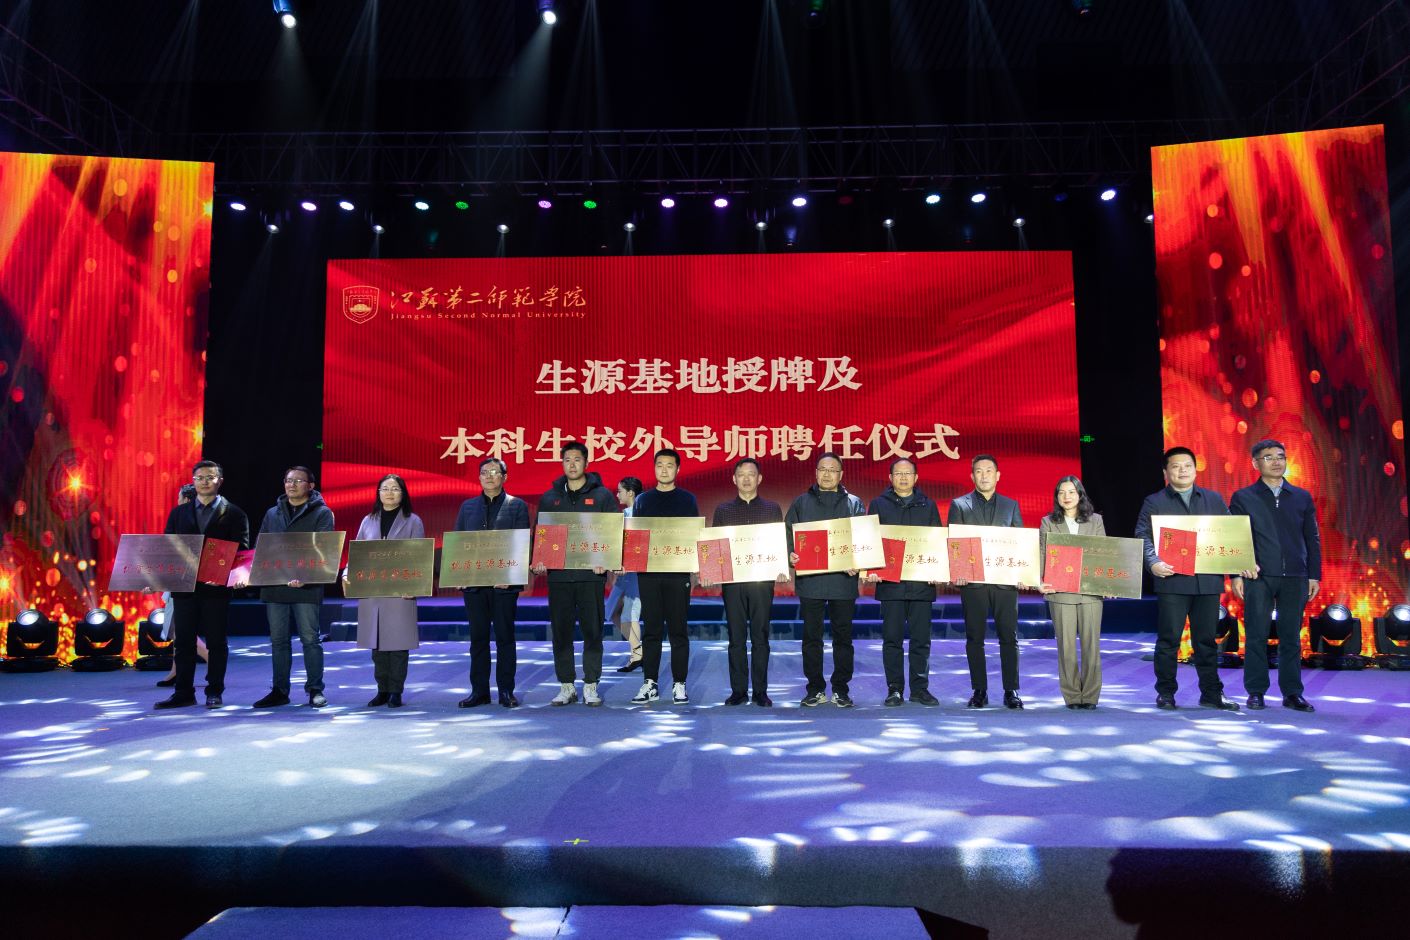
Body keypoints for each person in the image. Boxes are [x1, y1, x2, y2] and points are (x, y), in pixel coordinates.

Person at [1134, 446, 1247, 711]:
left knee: (1206, 641)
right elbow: (1143, 535)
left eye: (1187, 466)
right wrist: (1153, 562)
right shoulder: (1155, 501)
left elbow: (1230, 536)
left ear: (1195, 470)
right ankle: (1166, 693)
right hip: (1172, 581)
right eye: (1175, 466)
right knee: (1169, 640)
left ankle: (1211, 694)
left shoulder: (1213, 499)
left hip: (1207, 581)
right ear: (1166, 472)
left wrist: (1235, 573)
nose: (1182, 470)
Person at [1230, 439, 1319, 712]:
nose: (1276, 461)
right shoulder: (1243, 497)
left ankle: (1292, 693)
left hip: (1295, 576)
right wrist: (1236, 573)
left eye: (1280, 456)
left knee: (1291, 637)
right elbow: (1235, 537)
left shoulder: (1301, 497)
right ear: (1255, 463)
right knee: (1256, 635)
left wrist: (1314, 575)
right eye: (1268, 457)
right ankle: (1256, 691)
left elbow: (1312, 538)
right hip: (1258, 576)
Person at [154, 460, 250, 709]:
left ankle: (214, 691)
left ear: (220, 481)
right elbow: (168, 548)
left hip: (216, 589)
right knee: (183, 642)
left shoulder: (235, 513)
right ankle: (183, 692)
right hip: (184, 587)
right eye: (199, 477)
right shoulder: (179, 513)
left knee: (216, 642)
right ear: (193, 481)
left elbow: (241, 551)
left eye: (210, 477)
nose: (204, 482)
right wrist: (154, 579)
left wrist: (234, 576)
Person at [532, 442, 619, 706]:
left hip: (591, 576)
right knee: (561, 633)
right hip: (559, 576)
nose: (572, 464)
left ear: (586, 463)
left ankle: (591, 684)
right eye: (567, 460)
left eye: (577, 459)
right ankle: (566, 685)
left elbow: (613, 533)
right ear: (562, 463)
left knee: (593, 632)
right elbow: (540, 534)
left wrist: (607, 560)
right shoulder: (550, 498)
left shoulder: (602, 496)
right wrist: (538, 560)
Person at [785, 452, 866, 708]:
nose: (827, 474)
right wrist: (791, 555)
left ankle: (841, 689)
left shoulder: (854, 504)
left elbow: (864, 541)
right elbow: (788, 536)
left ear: (841, 475)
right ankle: (815, 688)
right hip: (812, 582)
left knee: (843, 638)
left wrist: (859, 560)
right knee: (812, 638)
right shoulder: (801, 502)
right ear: (816, 473)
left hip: (844, 582)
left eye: (833, 470)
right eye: (823, 469)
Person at [252, 466, 335, 709]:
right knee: (278, 640)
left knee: (310, 639)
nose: (292, 485)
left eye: (298, 481)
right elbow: (262, 546)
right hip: (275, 583)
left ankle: (315, 690)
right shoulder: (272, 513)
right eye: (288, 480)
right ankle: (279, 691)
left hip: (307, 585)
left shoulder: (322, 513)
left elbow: (325, 549)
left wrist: (307, 576)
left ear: (311, 485)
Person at [948, 454, 1026, 709]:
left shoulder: (1011, 505)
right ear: (972, 476)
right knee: (975, 638)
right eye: (979, 471)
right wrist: (958, 571)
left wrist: (1024, 574)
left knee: (1009, 637)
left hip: (1005, 582)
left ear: (998, 475)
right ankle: (979, 690)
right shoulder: (959, 505)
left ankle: (1011, 690)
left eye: (989, 471)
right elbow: (955, 543)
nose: (984, 475)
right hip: (973, 583)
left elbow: (1020, 544)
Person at [706, 458, 785, 707]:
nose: (747, 479)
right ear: (734, 479)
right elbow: (716, 545)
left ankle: (760, 691)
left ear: (759, 478)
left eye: (751, 474)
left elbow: (778, 542)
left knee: (760, 636)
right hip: (733, 583)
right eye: (741, 474)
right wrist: (709, 571)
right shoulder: (723, 510)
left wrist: (781, 568)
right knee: (736, 637)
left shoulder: (772, 509)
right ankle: (738, 691)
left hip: (762, 581)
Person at [454, 457, 531, 708]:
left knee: (505, 638)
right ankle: (479, 691)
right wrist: (459, 575)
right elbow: (460, 543)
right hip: (475, 585)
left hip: (504, 585)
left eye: (494, 472)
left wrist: (511, 575)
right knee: (478, 639)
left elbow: (522, 543)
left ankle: (506, 691)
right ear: (479, 477)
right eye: (484, 472)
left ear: (504, 477)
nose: (489, 476)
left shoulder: (516, 506)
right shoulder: (468, 507)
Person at [866, 457, 942, 707]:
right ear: (890, 478)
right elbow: (869, 542)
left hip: (921, 584)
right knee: (892, 640)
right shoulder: (878, 504)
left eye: (908, 473)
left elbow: (936, 543)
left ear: (916, 478)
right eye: (898, 473)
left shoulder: (928, 505)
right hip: (891, 585)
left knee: (921, 640)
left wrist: (937, 568)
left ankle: (920, 689)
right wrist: (871, 568)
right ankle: (895, 689)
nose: (903, 477)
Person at [630, 449, 700, 705]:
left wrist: (697, 566)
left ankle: (679, 684)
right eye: (659, 465)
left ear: (677, 469)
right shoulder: (643, 500)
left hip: (678, 574)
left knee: (678, 630)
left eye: (669, 465)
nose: (664, 469)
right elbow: (635, 536)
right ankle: (650, 682)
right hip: (649, 573)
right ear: (654, 468)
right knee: (652, 630)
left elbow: (695, 535)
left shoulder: (687, 500)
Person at [349, 474, 425, 708]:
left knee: (398, 644)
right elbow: (358, 553)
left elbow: (420, 557)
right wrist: (347, 575)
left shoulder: (413, 520)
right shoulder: (368, 520)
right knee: (377, 644)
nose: (390, 493)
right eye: (385, 488)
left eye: (395, 489)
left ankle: (395, 691)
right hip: (373, 589)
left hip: (401, 590)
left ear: (403, 494)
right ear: (378, 493)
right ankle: (382, 689)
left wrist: (415, 586)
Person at [1038, 476, 1106, 709]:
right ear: (1056, 497)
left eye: (1071, 492)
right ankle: (1072, 696)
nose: (1066, 497)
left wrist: (1108, 584)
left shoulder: (1095, 521)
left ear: (1080, 495)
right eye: (1061, 493)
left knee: (1091, 646)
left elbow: (1104, 553)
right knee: (1066, 647)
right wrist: (1039, 581)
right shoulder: (1048, 522)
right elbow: (1042, 553)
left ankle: (1090, 697)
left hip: (1090, 592)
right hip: (1060, 592)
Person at [156, 483, 207, 688]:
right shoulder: (188, 519)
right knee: (177, 629)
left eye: (179, 498)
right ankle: (176, 671)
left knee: (179, 628)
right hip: (181, 577)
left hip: (183, 578)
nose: (177, 502)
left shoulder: (185, 520)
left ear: (186, 499)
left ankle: (210, 658)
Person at [607, 476, 644, 673]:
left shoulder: (640, 514)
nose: (617, 494)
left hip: (636, 571)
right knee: (612, 611)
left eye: (620, 491)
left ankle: (637, 655)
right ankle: (639, 651)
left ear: (630, 492)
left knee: (631, 614)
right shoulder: (623, 515)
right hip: (623, 572)